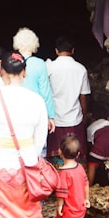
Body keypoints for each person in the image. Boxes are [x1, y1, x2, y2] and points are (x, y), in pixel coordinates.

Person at [0, 51, 48, 218]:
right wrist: (30, 154)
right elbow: (40, 138)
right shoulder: (36, 100)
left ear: (3, 72)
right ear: (24, 72)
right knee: (27, 214)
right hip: (26, 166)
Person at [45, 36, 91, 167]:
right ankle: (77, 177)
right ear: (73, 50)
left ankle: (57, 179)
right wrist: (84, 117)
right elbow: (83, 96)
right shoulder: (81, 69)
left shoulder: (50, 67)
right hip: (74, 118)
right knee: (76, 152)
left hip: (54, 118)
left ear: (56, 51)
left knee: (54, 153)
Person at [12, 27, 56, 136]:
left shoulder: (11, 61)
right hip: (35, 110)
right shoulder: (40, 63)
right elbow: (45, 92)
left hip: (15, 108)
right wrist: (50, 116)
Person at [56, 135, 90, 218]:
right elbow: (86, 184)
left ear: (60, 152)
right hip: (81, 208)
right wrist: (86, 199)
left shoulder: (63, 173)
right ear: (78, 154)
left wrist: (60, 205)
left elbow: (62, 193)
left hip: (69, 210)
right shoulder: (80, 167)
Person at [86, 104, 109, 186]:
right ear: (108, 118)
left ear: (92, 118)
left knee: (92, 163)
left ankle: (90, 185)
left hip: (100, 149)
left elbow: (90, 143)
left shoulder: (90, 127)